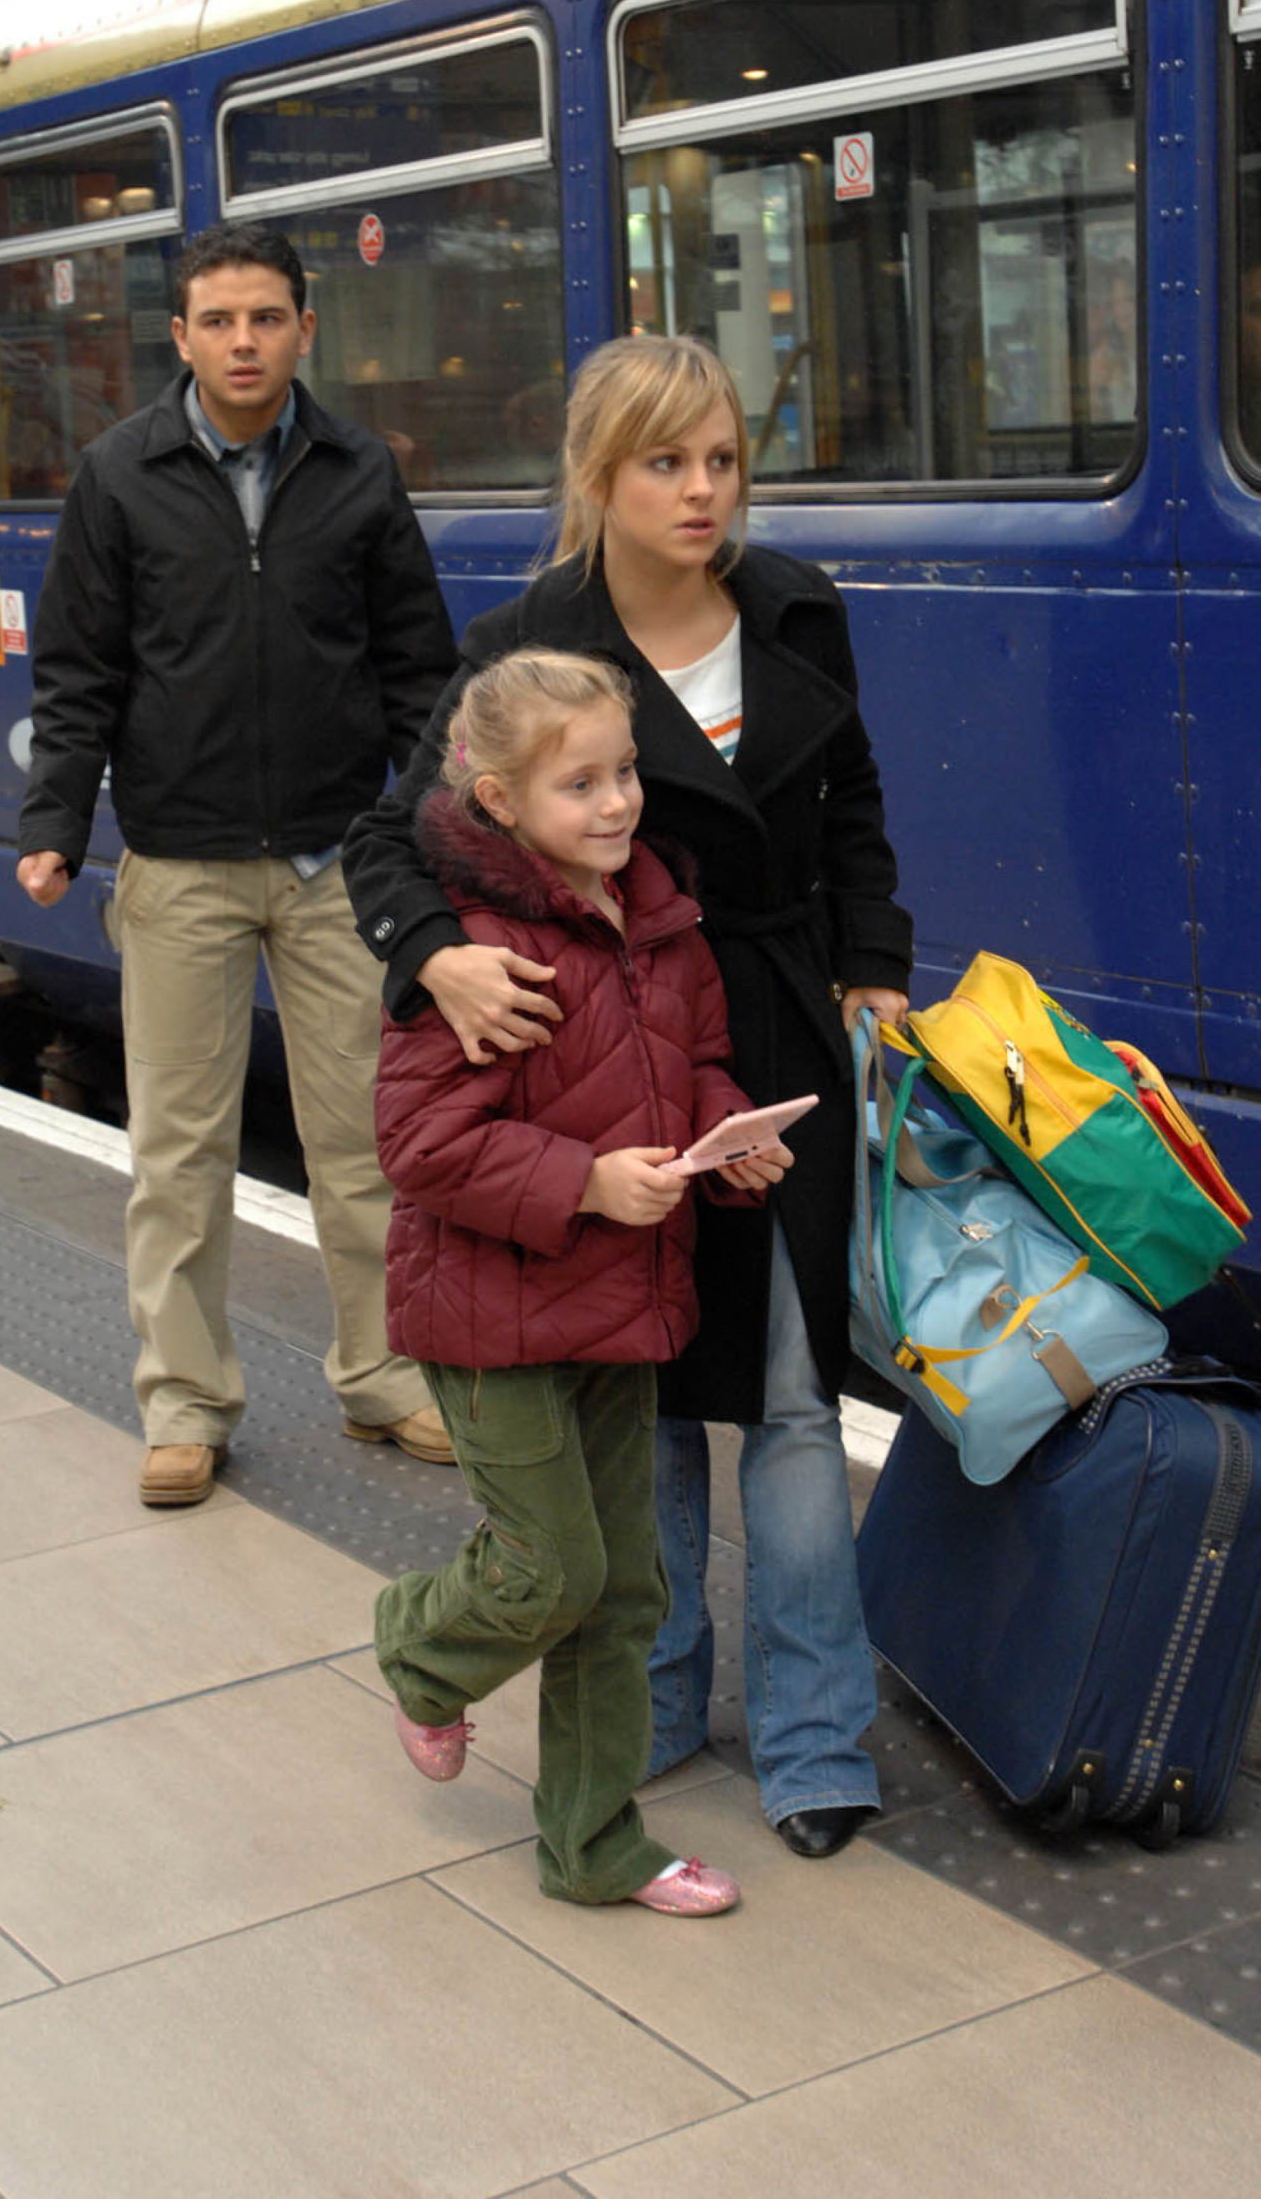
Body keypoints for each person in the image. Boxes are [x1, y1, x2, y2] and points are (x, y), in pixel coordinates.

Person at [346, 332, 913, 1857]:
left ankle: (811, 1739)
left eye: (722, 459)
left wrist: (874, 966)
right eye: (666, 461)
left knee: (794, 1404)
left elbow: (851, 802)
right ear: (598, 477)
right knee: (641, 1400)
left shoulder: (795, 607)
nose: (703, 490)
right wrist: (440, 959)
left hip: (771, 1040)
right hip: (605, 1048)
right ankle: (656, 1701)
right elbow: (391, 832)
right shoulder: (533, 638)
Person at [17, 221, 459, 1506]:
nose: (244, 341)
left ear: (305, 330)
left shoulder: (360, 469)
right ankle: (187, 1402)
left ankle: (386, 1377)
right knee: (179, 1153)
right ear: (182, 338)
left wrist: (431, 831)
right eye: (219, 321)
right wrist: (55, 824)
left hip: (334, 867)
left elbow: (417, 674)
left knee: (366, 1144)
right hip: (181, 868)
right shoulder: (119, 473)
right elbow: (79, 668)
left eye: (266, 318)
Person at [373, 647, 788, 1914]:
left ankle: (596, 1845)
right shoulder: (476, 956)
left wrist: (730, 1139)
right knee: (548, 1569)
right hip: (490, 1313)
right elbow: (420, 1142)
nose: (616, 805)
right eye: (579, 784)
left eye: (625, 775)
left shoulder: (661, 919)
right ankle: (419, 1648)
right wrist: (586, 1181)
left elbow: (697, 1061)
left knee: (622, 1589)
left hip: (619, 1303)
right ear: (498, 800)